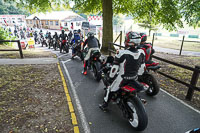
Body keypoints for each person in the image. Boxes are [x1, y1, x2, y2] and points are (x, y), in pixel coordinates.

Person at [99, 31, 146, 111]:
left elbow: (114, 69)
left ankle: (105, 105)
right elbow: (142, 68)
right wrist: (137, 75)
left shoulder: (121, 53)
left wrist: (110, 77)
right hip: (134, 77)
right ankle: (139, 99)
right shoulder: (141, 52)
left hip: (122, 79)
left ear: (128, 41)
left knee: (110, 89)